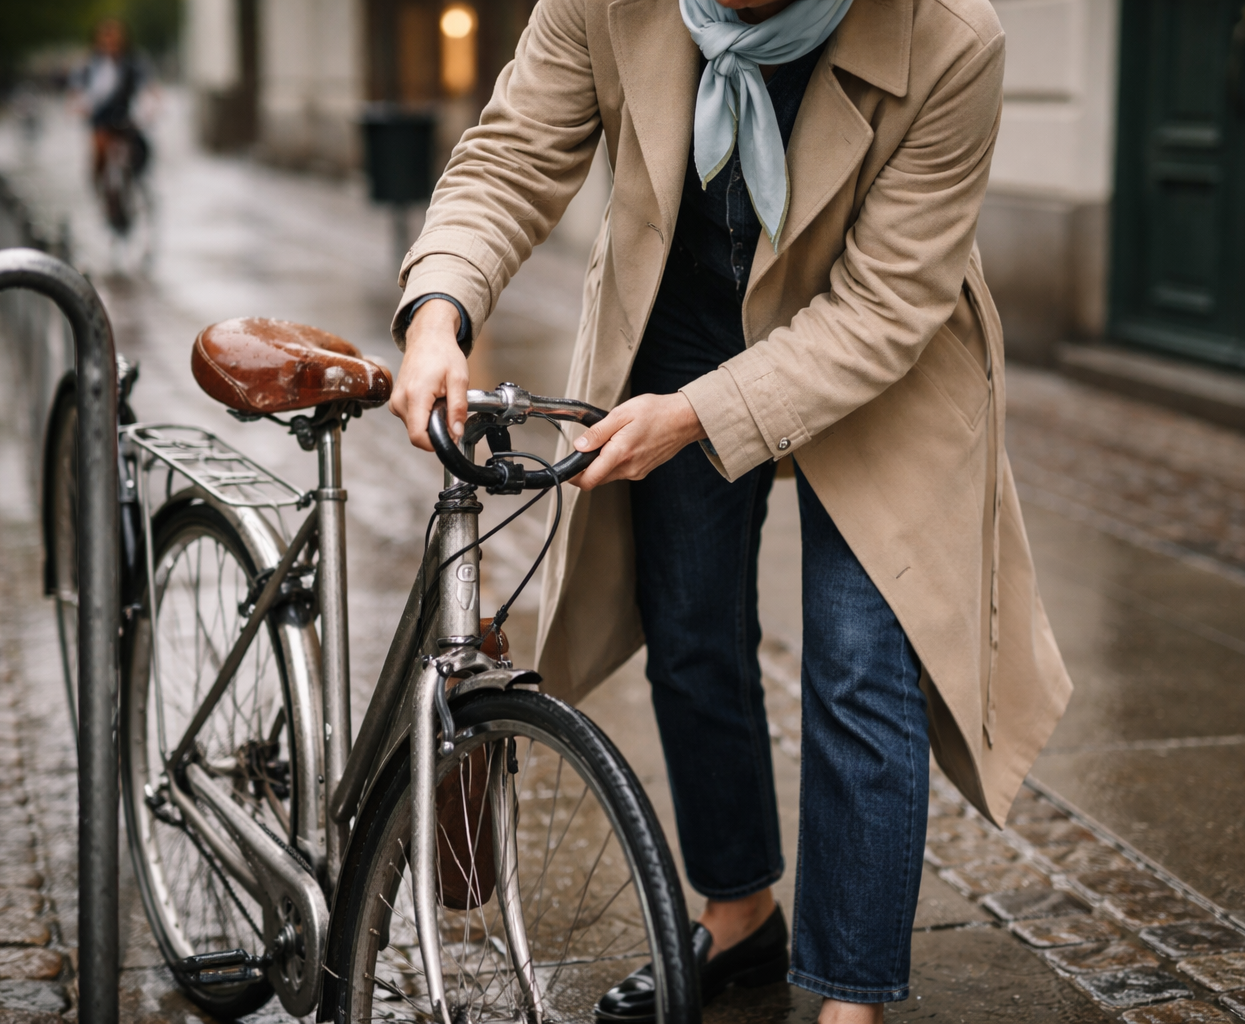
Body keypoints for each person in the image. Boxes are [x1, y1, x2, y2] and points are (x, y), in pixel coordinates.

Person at [389, 0, 1074, 1017]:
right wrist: (439, 310)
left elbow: (885, 309)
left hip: (879, 346)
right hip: (681, 308)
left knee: (858, 654)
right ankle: (741, 912)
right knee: (690, 619)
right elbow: (512, 157)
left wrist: (700, 415)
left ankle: (850, 997)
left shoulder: (951, 39)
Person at [72, 19, 150, 212]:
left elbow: (149, 89)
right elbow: (76, 92)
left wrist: (150, 108)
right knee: (100, 147)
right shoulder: (89, 65)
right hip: (101, 119)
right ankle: (98, 188)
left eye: (115, 38)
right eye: (106, 39)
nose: (111, 43)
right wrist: (78, 106)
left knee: (136, 151)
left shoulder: (135, 63)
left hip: (126, 117)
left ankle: (135, 187)